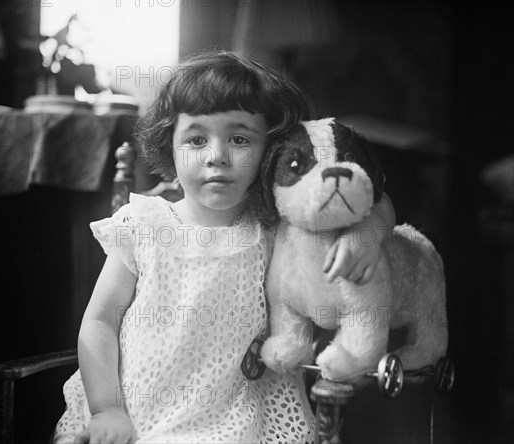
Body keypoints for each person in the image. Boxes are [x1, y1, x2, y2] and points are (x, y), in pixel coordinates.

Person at [53, 50, 396, 443]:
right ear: (170, 144)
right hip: (131, 404)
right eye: (197, 139)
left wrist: (365, 237)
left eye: (238, 138)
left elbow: (377, 200)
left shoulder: (275, 224)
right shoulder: (145, 225)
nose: (217, 156)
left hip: (235, 410)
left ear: (270, 150)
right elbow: (100, 322)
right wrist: (108, 409)